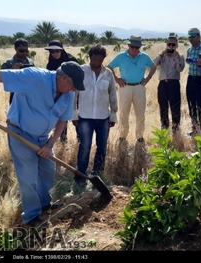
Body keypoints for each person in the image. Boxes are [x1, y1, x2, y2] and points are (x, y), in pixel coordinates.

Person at [0, 61, 85, 227]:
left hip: (43, 138)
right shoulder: (34, 77)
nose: (74, 90)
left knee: (48, 171)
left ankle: (44, 203)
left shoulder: (67, 94)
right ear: (64, 78)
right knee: (29, 176)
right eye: (73, 86)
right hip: (20, 133)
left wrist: (50, 144)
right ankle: (31, 217)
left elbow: (63, 120)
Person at [72, 44, 118, 186]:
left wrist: (113, 114)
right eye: (94, 59)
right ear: (89, 58)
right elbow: (74, 94)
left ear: (103, 59)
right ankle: (80, 176)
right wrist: (74, 114)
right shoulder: (81, 71)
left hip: (103, 118)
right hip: (85, 117)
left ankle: (97, 174)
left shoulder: (108, 74)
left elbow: (113, 95)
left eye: (99, 60)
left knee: (102, 146)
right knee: (84, 146)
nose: (96, 63)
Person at [107, 35, 156, 143]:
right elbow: (109, 67)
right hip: (125, 87)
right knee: (124, 113)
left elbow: (153, 66)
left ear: (140, 47)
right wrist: (116, 79)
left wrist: (148, 78)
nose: (134, 49)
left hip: (139, 87)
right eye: (132, 46)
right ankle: (123, 136)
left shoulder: (144, 56)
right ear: (128, 45)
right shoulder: (120, 56)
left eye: (137, 47)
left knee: (140, 114)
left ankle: (139, 137)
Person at [45, 40, 80, 143]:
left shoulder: (71, 60)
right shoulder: (50, 64)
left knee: (75, 116)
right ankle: (63, 140)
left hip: (73, 92)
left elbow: (79, 77)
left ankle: (79, 139)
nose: (55, 54)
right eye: (52, 52)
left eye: (57, 51)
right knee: (61, 117)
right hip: (59, 94)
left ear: (62, 50)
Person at [153, 33, 185, 133]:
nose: (171, 47)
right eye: (169, 44)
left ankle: (176, 128)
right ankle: (164, 127)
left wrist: (177, 58)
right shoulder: (162, 55)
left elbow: (180, 69)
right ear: (166, 44)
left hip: (173, 84)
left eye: (173, 45)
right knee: (163, 106)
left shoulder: (180, 56)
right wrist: (161, 55)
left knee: (175, 107)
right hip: (162, 84)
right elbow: (153, 64)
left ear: (177, 45)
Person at [185, 28, 201, 135]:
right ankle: (195, 128)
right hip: (191, 79)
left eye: (193, 36)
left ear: (199, 36)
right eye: (189, 36)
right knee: (191, 105)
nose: (191, 38)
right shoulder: (189, 50)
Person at [1, 38, 34, 105]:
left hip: (29, 94)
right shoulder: (8, 63)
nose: (24, 53)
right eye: (21, 51)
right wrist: (13, 70)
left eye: (26, 51)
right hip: (15, 95)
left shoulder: (30, 62)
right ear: (15, 48)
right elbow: (1, 78)